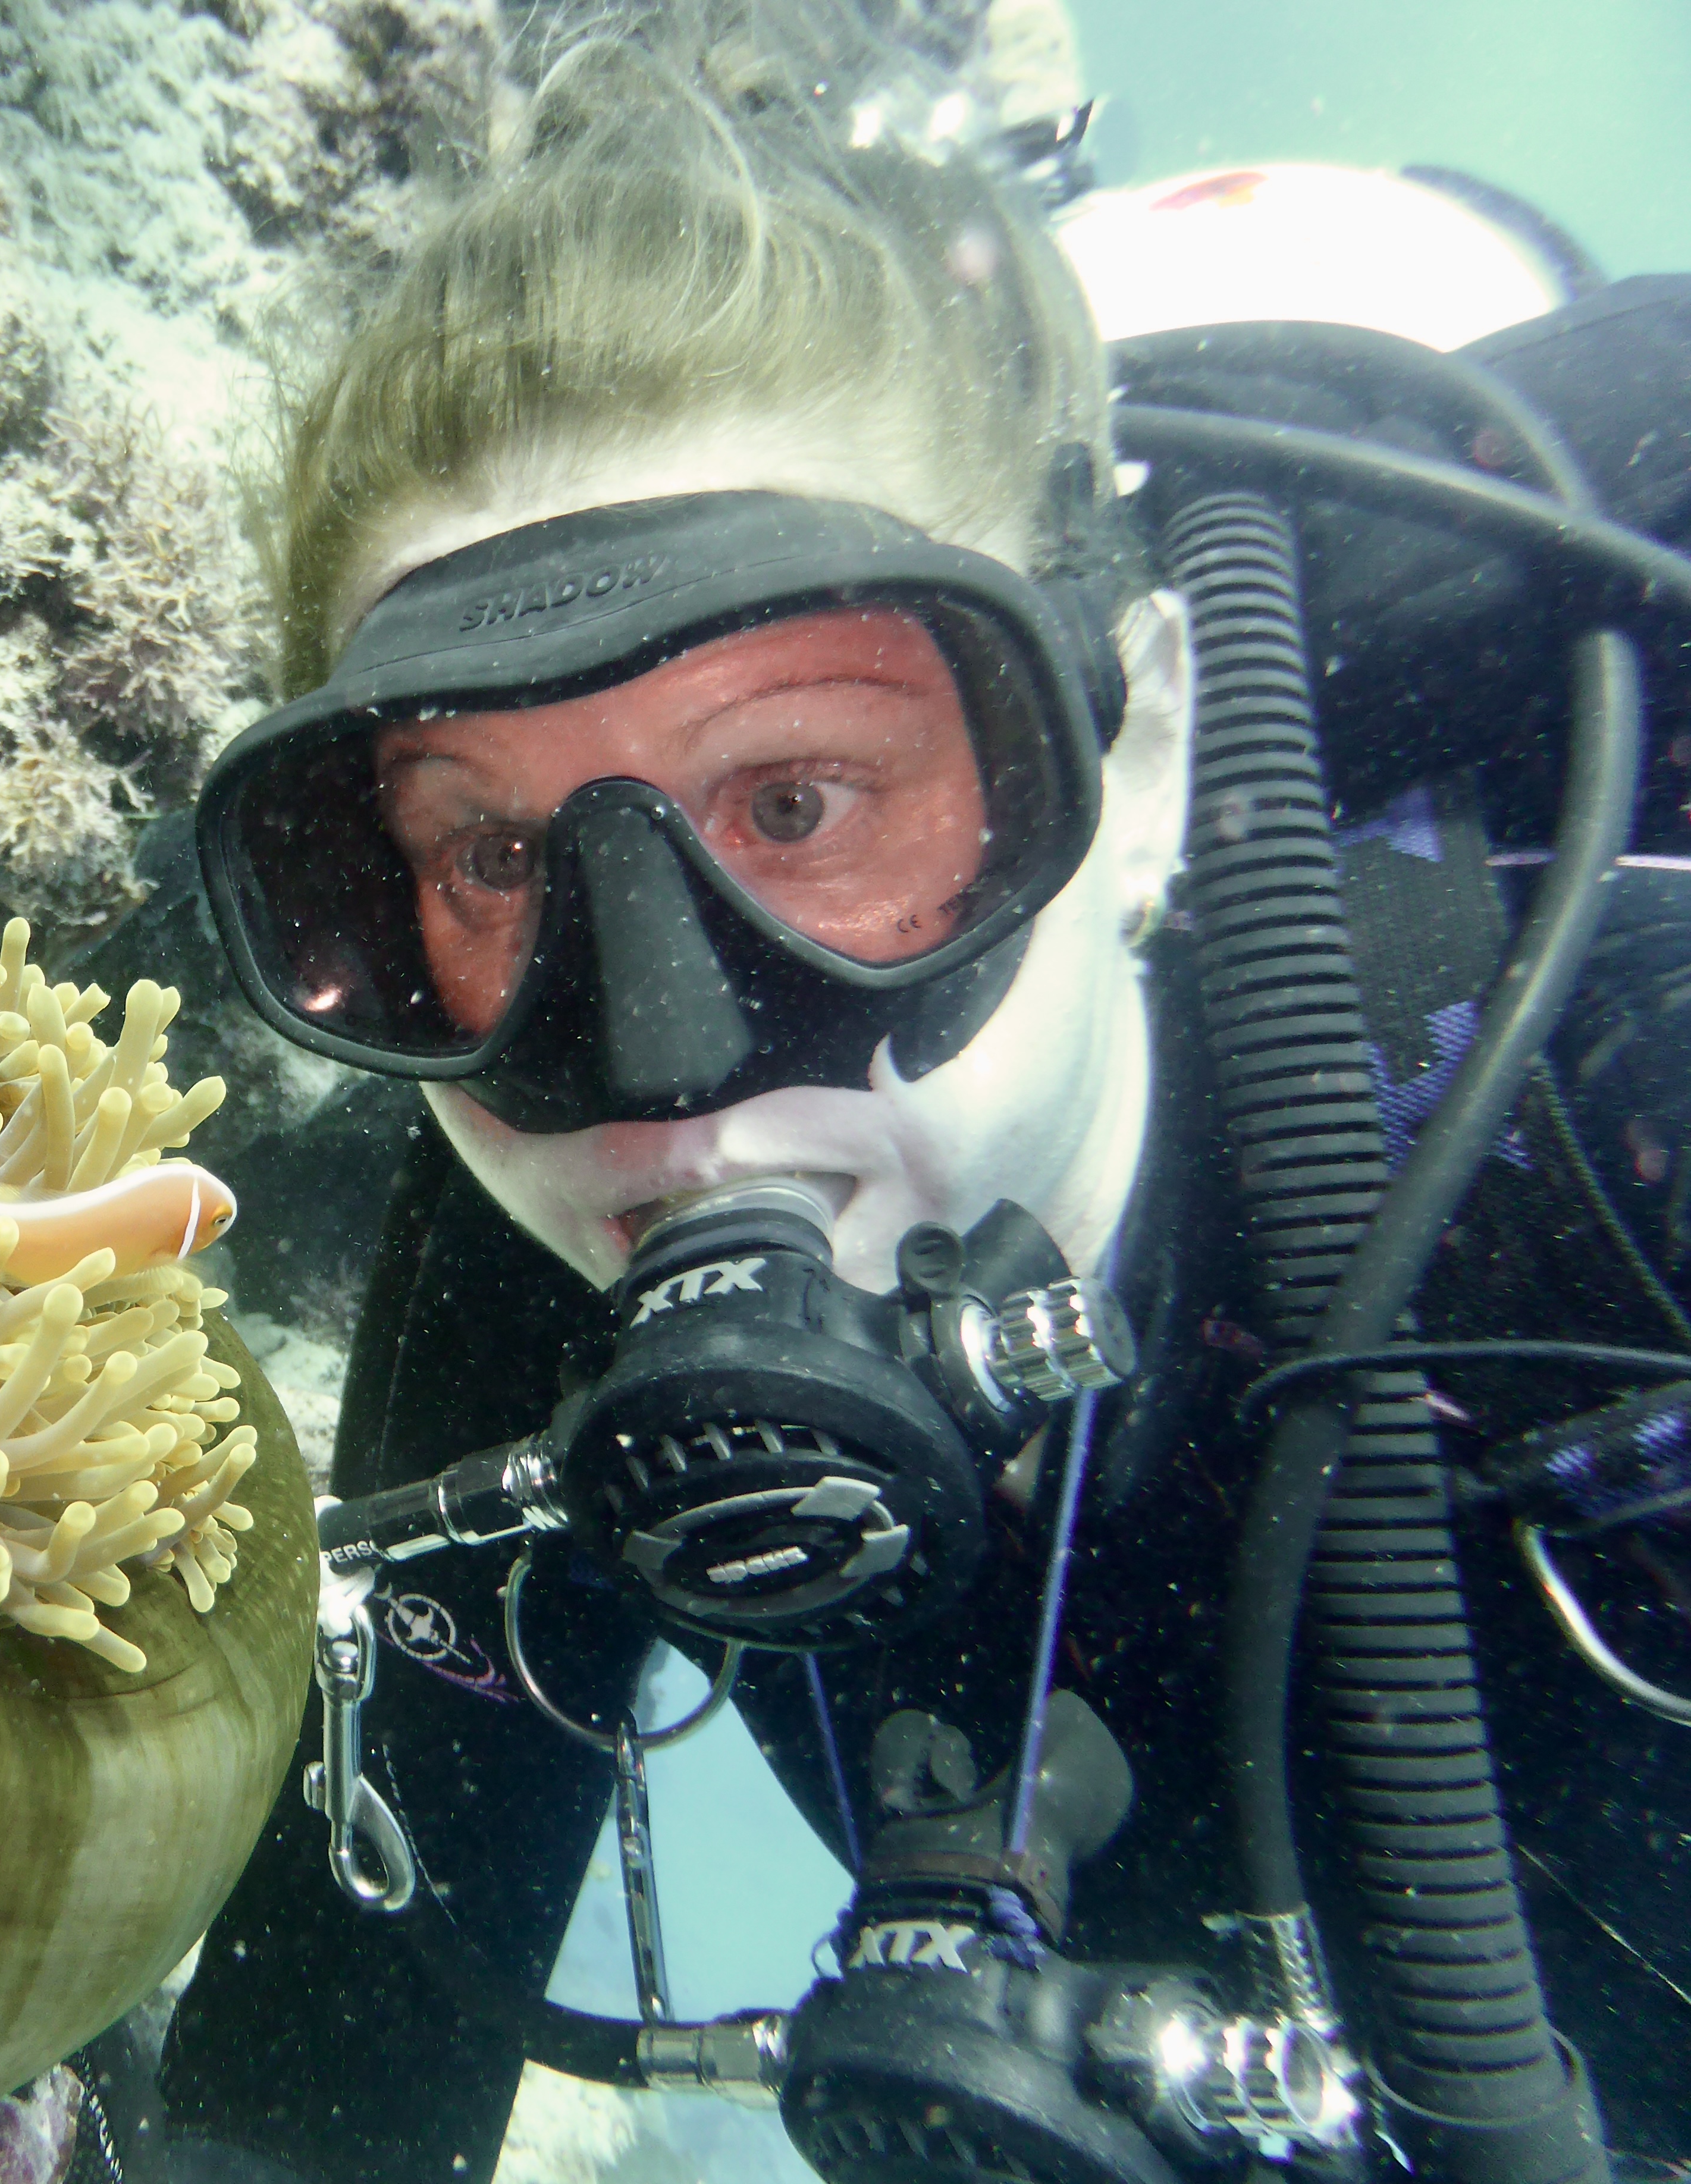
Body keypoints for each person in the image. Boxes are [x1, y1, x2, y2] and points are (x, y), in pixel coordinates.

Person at [146, 11, 1691, 2184]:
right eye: (495, 861)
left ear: (1135, 760)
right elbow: (307, 2110)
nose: (670, 1077)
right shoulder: (546, 1230)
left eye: (797, 799)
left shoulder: (1609, 1141)